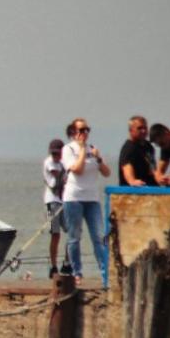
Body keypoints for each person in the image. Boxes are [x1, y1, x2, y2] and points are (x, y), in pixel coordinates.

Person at [59, 118, 109, 279]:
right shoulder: (68, 149)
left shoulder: (92, 149)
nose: (85, 133)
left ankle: (104, 273)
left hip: (92, 199)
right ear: (73, 132)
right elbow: (77, 170)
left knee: (99, 236)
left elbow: (107, 172)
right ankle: (76, 272)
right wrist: (81, 150)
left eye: (87, 130)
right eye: (81, 130)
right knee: (74, 237)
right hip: (73, 198)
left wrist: (98, 158)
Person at [42, 138, 68, 275]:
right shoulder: (49, 163)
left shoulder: (64, 162)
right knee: (55, 234)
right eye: (53, 154)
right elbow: (55, 183)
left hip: (64, 201)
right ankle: (53, 266)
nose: (55, 156)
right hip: (52, 201)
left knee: (72, 232)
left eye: (58, 154)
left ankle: (67, 263)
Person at [117, 115, 158, 187]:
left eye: (145, 128)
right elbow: (126, 166)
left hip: (150, 190)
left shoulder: (148, 146)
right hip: (133, 193)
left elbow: (152, 168)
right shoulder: (129, 148)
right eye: (139, 128)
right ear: (131, 130)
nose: (143, 131)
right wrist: (132, 181)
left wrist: (160, 178)